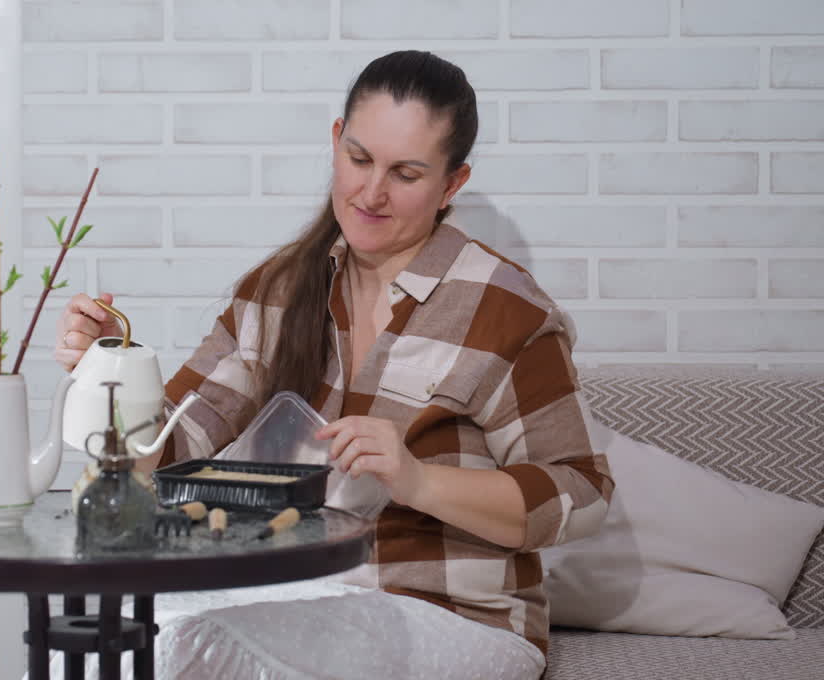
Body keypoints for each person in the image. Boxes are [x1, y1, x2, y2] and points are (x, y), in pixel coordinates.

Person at [53, 50, 613, 679]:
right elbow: (169, 452)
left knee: (189, 648)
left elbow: (581, 494)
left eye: (405, 173)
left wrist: (417, 480)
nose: (372, 193)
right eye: (359, 159)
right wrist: (113, 370)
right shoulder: (279, 290)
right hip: (293, 591)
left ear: (452, 185)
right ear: (335, 141)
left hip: (449, 615)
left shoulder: (506, 310)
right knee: (99, 632)